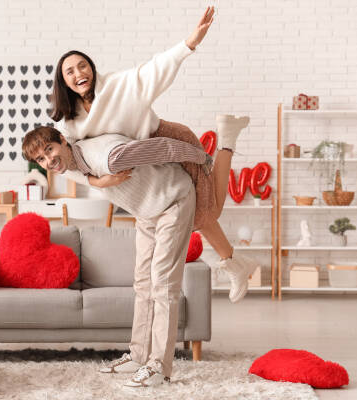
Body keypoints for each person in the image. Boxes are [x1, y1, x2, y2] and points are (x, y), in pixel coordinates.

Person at [21, 125, 258, 388]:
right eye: (41, 159)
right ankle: (138, 356)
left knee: (163, 282)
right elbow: (85, 176)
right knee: (142, 283)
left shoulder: (105, 155)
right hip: (146, 211)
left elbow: (160, 148)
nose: (49, 160)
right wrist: (99, 182)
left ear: (63, 141)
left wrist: (201, 157)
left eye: (49, 150)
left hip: (173, 201)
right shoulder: (68, 166)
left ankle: (159, 367)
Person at [49, 6, 256, 302]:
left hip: (168, 141)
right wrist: (96, 183)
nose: (79, 72)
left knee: (207, 211)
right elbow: (67, 163)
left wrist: (189, 43)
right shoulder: (70, 122)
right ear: (63, 81)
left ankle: (227, 141)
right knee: (202, 213)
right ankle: (235, 263)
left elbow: (154, 70)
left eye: (83, 65)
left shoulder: (117, 86)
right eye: (70, 71)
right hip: (146, 161)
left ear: (91, 67)